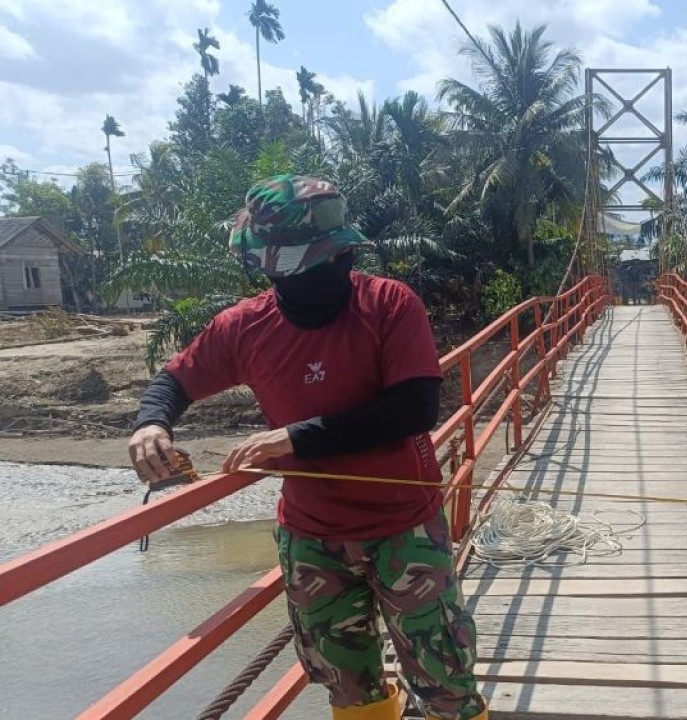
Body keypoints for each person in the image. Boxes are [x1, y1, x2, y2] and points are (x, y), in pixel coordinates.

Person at [127, 175, 488, 720]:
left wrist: (294, 438)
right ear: (271, 266)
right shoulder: (244, 327)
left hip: (403, 527)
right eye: (318, 258)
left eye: (340, 252)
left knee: (445, 681)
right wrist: (151, 426)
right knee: (347, 684)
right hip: (312, 538)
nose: (336, 266)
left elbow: (415, 409)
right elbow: (175, 380)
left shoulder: (390, 304)